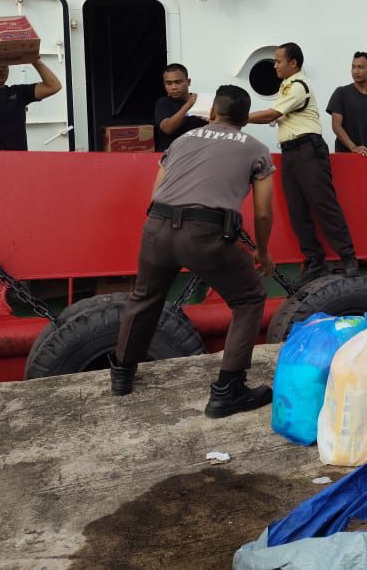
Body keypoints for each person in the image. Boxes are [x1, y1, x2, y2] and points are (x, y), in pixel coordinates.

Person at [111, 84, 275, 418]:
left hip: (157, 226)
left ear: (213, 113)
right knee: (249, 300)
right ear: (245, 119)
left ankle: (122, 376)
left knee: (145, 297)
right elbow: (262, 212)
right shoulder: (256, 148)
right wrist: (263, 251)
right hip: (205, 232)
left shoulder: (182, 140)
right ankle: (228, 391)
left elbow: (157, 192)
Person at [248, 42, 360, 281]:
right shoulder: (287, 87)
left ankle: (348, 258)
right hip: (291, 153)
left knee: (323, 205)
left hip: (308, 149)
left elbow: (272, 115)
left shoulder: (299, 87)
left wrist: (236, 117)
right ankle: (314, 261)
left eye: (279, 61)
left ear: (293, 63)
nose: (275, 65)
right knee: (297, 211)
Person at [326, 51, 367, 156]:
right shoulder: (341, 92)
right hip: (344, 157)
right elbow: (336, 126)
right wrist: (354, 147)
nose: (355, 71)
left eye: (361, 67)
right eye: (353, 67)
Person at [154, 63, 207, 151]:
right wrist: (189, 104)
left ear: (188, 82)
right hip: (170, 155)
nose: (174, 87)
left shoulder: (201, 101)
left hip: (198, 153)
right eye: (169, 83)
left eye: (178, 82)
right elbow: (168, 128)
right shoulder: (163, 103)